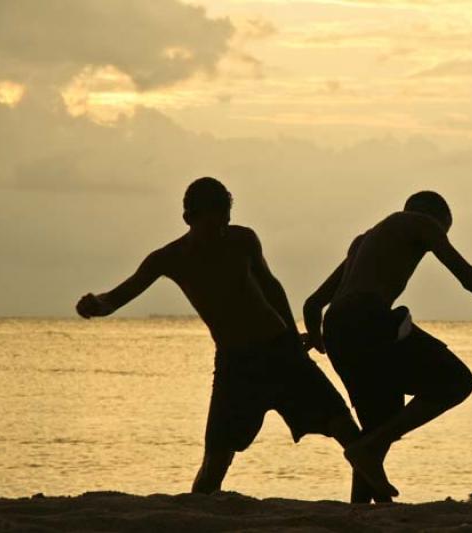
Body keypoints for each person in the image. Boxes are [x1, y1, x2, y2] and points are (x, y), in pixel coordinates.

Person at [75, 177, 396, 499]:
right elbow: (119, 296)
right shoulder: (168, 258)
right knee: (215, 460)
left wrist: (291, 334)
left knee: (346, 430)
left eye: (224, 223)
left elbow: (271, 287)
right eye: (212, 225)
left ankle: (376, 506)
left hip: (281, 352)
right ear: (189, 219)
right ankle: (197, 514)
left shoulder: (243, 240)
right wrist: (96, 304)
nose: (219, 232)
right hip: (235, 364)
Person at [303, 191, 472, 503]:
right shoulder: (420, 222)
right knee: (456, 382)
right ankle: (368, 451)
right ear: (437, 221)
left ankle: (363, 510)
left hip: (339, 331)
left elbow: (312, 305)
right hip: (368, 318)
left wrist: (320, 341)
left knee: (377, 428)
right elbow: (470, 278)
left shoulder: (363, 242)